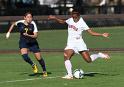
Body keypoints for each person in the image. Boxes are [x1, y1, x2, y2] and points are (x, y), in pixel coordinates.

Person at [48, 9, 110, 79]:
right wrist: (55, 18)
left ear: (78, 16)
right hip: (71, 43)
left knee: (88, 60)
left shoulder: (82, 23)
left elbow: (91, 33)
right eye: (73, 16)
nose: (74, 18)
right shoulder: (70, 19)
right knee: (66, 56)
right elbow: (62, 22)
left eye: (75, 17)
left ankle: (99, 55)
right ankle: (70, 75)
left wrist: (101, 34)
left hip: (79, 43)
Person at [6, 12, 47, 77]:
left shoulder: (33, 24)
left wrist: (28, 35)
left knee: (39, 58)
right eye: (28, 17)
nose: (29, 18)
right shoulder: (20, 22)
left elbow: (36, 36)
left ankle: (44, 70)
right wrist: (8, 32)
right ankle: (33, 64)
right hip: (23, 42)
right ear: (24, 18)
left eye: (31, 17)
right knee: (24, 56)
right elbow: (13, 24)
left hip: (32, 42)